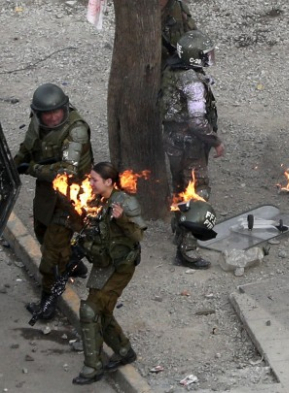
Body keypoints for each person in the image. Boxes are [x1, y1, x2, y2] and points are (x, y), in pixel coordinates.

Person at [14, 83, 93, 321]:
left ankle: (48, 300)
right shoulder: (38, 122)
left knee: (50, 253)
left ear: (64, 107)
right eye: (46, 114)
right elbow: (28, 148)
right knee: (41, 230)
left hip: (72, 196)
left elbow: (67, 171)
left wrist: (32, 169)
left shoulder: (75, 131)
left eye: (56, 112)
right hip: (48, 192)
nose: (52, 117)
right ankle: (70, 262)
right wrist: (13, 165)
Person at [71, 162, 147, 384]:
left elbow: (138, 237)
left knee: (90, 310)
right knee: (101, 311)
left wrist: (121, 219)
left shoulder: (125, 202)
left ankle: (92, 367)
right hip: (104, 263)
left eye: (94, 179)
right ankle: (124, 351)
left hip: (121, 266)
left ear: (109, 182)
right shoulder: (96, 199)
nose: (91, 183)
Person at [160, 29, 224, 269]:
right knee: (198, 192)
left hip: (173, 142)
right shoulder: (193, 82)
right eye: (206, 53)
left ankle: (178, 231)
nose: (210, 56)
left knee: (180, 187)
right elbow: (197, 120)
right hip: (191, 146)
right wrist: (215, 140)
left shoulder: (171, 72)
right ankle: (188, 249)